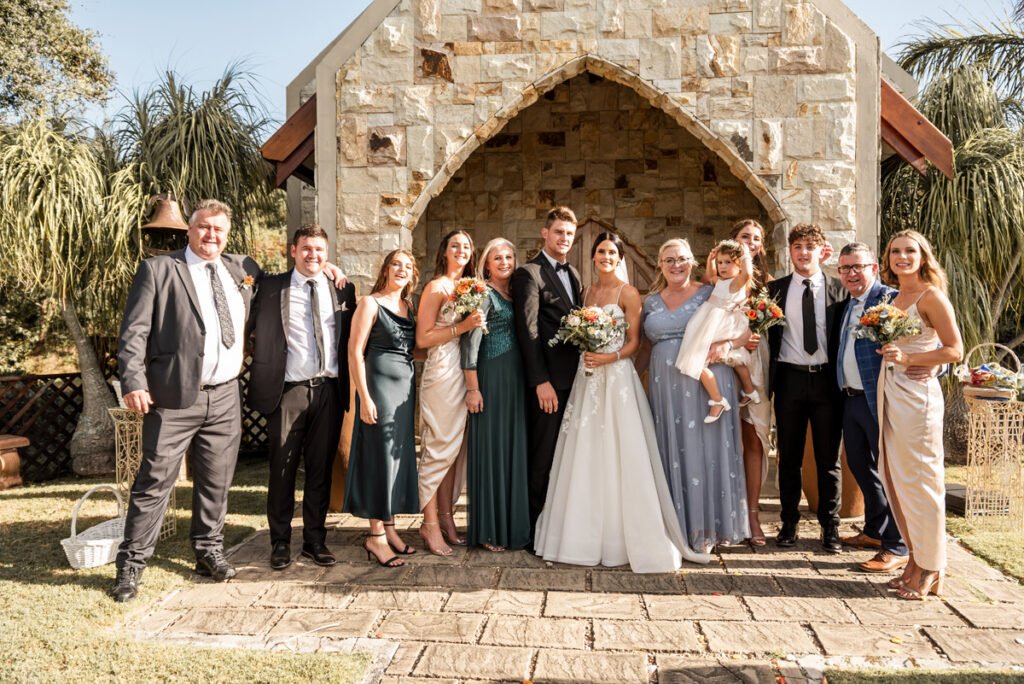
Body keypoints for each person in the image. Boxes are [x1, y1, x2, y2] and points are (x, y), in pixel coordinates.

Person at [111, 199, 262, 602]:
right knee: (154, 482)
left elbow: (280, 287)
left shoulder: (241, 269)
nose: (212, 235)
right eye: (204, 227)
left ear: (227, 234)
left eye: (219, 229)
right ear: (190, 230)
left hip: (225, 395)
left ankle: (208, 552)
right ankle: (131, 566)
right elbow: (134, 333)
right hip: (173, 396)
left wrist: (327, 268)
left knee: (216, 480)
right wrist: (134, 381)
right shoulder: (159, 269)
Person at [534, 233, 706, 571]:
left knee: (620, 448)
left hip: (616, 377)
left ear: (620, 257)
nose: (606, 256)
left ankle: (625, 537)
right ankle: (579, 534)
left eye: (612, 252)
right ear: (593, 256)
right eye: (601, 251)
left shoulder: (628, 293)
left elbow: (634, 342)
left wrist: (609, 357)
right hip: (588, 379)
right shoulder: (586, 292)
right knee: (585, 449)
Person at [247, 224, 356, 571]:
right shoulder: (270, 287)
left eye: (319, 250)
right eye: (306, 248)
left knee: (320, 470)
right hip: (288, 392)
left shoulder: (343, 289)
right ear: (292, 250)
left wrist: (330, 269)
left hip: (329, 390)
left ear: (328, 253)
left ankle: (314, 541)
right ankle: (280, 542)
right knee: (282, 468)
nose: (313, 255)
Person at [637, 238, 750, 554]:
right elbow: (644, 347)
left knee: (707, 451)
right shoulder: (650, 303)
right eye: (669, 259)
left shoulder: (710, 292)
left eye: (682, 259)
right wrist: (629, 379)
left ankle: (709, 528)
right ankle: (677, 527)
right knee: (672, 450)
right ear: (660, 265)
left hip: (708, 384)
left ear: (694, 262)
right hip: (665, 387)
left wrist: (727, 344)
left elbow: (744, 329)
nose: (676, 265)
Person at [877, 230, 962, 600]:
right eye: (895, 251)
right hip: (890, 391)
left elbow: (955, 350)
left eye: (910, 251)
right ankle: (914, 560)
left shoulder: (932, 297)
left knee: (922, 482)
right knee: (897, 479)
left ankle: (931, 567)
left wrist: (911, 358)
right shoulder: (892, 298)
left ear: (923, 256)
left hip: (917, 397)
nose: (902, 257)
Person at [828, 242, 911, 573]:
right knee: (861, 465)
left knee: (888, 471)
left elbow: (920, 341)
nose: (851, 274)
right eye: (845, 268)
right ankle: (875, 531)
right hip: (850, 398)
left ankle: (897, 545)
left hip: (879, 399)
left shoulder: (891, 300)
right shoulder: (846, 306)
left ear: (873, 268)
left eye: (857, 267)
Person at [766, 223, 847, 553]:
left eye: (809, 247)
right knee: (789, 456)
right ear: (790, 251)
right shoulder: (774, 291)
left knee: (829, 458)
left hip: (827, 380)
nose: (803, 252)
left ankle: (831, 526)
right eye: (797, 246)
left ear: (821, 251)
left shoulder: (839, 290)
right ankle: (789, 522)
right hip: (789, 379)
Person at [344, 250, 421, 567]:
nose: (402, 270)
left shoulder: (408, 307)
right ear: (385, 270)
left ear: (413, 274)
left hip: (404, 392)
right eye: (396, 264)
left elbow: (414, 349)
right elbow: (354, 351)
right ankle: (375, 536)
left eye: (408, 266)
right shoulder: (370, 303)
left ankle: (389, 528)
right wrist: (364, 397)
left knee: (395, 458)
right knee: (379, 458)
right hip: (378, 390)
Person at [510, 206, 583, 540]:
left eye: (569, 233)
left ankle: (558, 526)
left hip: (576, 380)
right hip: (549, 383)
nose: (564, 238)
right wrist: (540, 381)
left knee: (566, 455)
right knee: (542, 454)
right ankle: (531, 529)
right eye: (558, 232)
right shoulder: (529, 273)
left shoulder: (575, 275)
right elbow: (528, 331)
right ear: (545, 233)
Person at [415, 230, 486, 555]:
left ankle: (446, 517)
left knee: (454, 451)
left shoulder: (470, 287)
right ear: (444, 251)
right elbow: (423, 339)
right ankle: (429, 524)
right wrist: (462, 327)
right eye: (455, 245)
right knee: (438, 447)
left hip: (464, 370)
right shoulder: (436, 287)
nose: (461, 250)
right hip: (442, 371)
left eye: (466, 245)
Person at [460, 238, 531, 552]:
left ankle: (513, 527)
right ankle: (489, 530)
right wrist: (473, 388)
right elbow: (470, 344)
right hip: (491, 378)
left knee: (512, 450)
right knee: (492, 451)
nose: (504, 262)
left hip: (516, 381)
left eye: (509, 257)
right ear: (486, 264)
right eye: (498, 258)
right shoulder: (483, 294)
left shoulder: (514, 293)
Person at [674, 239, 760, 422]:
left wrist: (745, 254)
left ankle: (718, 399)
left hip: (721, 324)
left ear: (738, 265)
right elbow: (711, 274)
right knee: (735, 358)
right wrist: (711, 260)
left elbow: (747, 273)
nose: (722, 266)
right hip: (712, 322)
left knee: (699, 362)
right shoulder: (721, 281)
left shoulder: (736, 283)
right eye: (720, 262)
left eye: (728, 262)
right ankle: (750, 390)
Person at [729, 219, 773, 546]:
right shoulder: (718, 277)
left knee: (754, 438)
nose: (751, 242)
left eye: (757, 238)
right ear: (733, 240)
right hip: (725, 360)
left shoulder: (768, 284)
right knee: (726, 439)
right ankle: (727, 512)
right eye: (745, 236)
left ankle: (753, 515)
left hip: (758, 362)